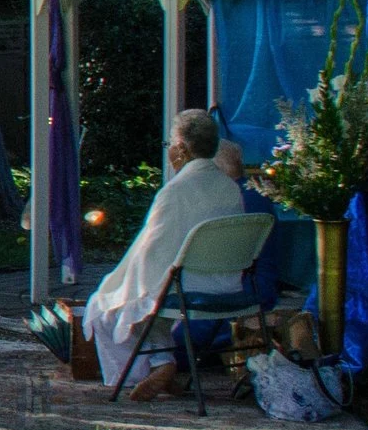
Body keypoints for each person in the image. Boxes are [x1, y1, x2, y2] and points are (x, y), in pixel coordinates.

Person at [76, 108, 246, 397]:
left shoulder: (176, 191)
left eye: (170, 145)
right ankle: (163, 364)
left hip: (187, 287)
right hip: (230, 285)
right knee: (149, 294)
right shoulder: (230, 189)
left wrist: (121, 280)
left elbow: (150, 254)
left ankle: (155, 366)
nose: (169, 151)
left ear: (181, 149)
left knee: (116, 303)